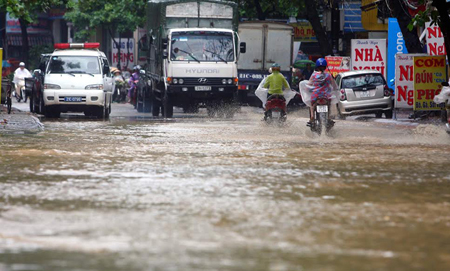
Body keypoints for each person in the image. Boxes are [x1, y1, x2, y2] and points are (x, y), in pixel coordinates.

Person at [307, 58, 338, 126]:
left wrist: (309, 89)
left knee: (311, 105)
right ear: (325, 67)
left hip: (316, 95)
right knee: (329, 104)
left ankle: (312, 117)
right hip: (326, 96)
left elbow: (309, 85)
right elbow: (334, 85)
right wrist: (335, 89)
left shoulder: (314, 75)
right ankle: (329, 117)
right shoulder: (328, 75)